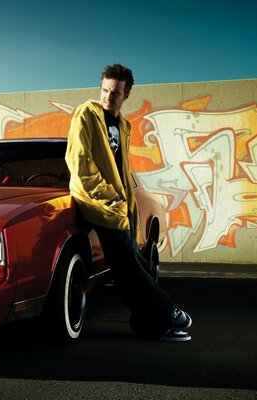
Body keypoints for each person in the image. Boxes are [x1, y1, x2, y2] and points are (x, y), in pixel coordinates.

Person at [65, 64, 192, 342]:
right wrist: (110, 196)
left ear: (126, 95)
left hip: (121, 205)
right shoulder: (87, 114)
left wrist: (125, 201)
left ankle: (150, 327)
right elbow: (79, 163)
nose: (108, 97)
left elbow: (121, 167)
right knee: (129, 263)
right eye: (105, 90)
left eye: (115, 92)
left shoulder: (123, 125)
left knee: (128, 268)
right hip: (96, 202)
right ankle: (167, 310)